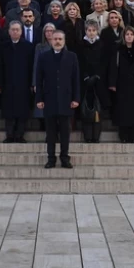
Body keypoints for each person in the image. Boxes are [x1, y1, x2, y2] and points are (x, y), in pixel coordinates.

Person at [35, 29, 81, 168]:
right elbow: (39, 79)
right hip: (49, 99)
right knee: (50, 132)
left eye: (60, 39)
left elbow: (76, 79)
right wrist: (39, 99)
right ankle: (51, 158)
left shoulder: (72, 56)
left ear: (64, 41)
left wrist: (76, 98)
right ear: (50, 40)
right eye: (55, 39)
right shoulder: (43, 56)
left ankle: (65, 158)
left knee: (65, 132)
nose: (57, 41)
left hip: (66, 100)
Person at [108, 26, 134, 143]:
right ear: (123, 36)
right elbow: (113, 67)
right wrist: (112, 83)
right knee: (123, 110)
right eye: (127, 34)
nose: (129, 36)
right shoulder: (118, 49)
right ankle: (123, 135)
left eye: (131, 34)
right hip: (122, 83)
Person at [0, 21, 35, 143]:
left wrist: (31, 83)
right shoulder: (3, 46)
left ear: (21, 32)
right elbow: (0, 66)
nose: (15, 32)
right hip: (7, 83)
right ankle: (9, 135)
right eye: (13, 30)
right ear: (9, 32)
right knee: (9, 110)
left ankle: (20, 135)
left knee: (22, 110)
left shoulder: (28, 47)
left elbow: (31, 67)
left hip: (23, 83)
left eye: (17, 30)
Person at [75, 20, 108, 142]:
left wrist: (97, 76)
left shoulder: (102, 44)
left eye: (93, 30)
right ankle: (87, 136)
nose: (91, 33)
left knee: (97, 110)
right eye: (89, 30)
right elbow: (79, 62)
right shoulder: (80, 44)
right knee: (86, 110)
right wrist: (85, 76)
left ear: (97, 31)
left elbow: (105, 63)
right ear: (85, 31)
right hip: (85, 81)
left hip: (99, 81)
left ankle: (96, 136)